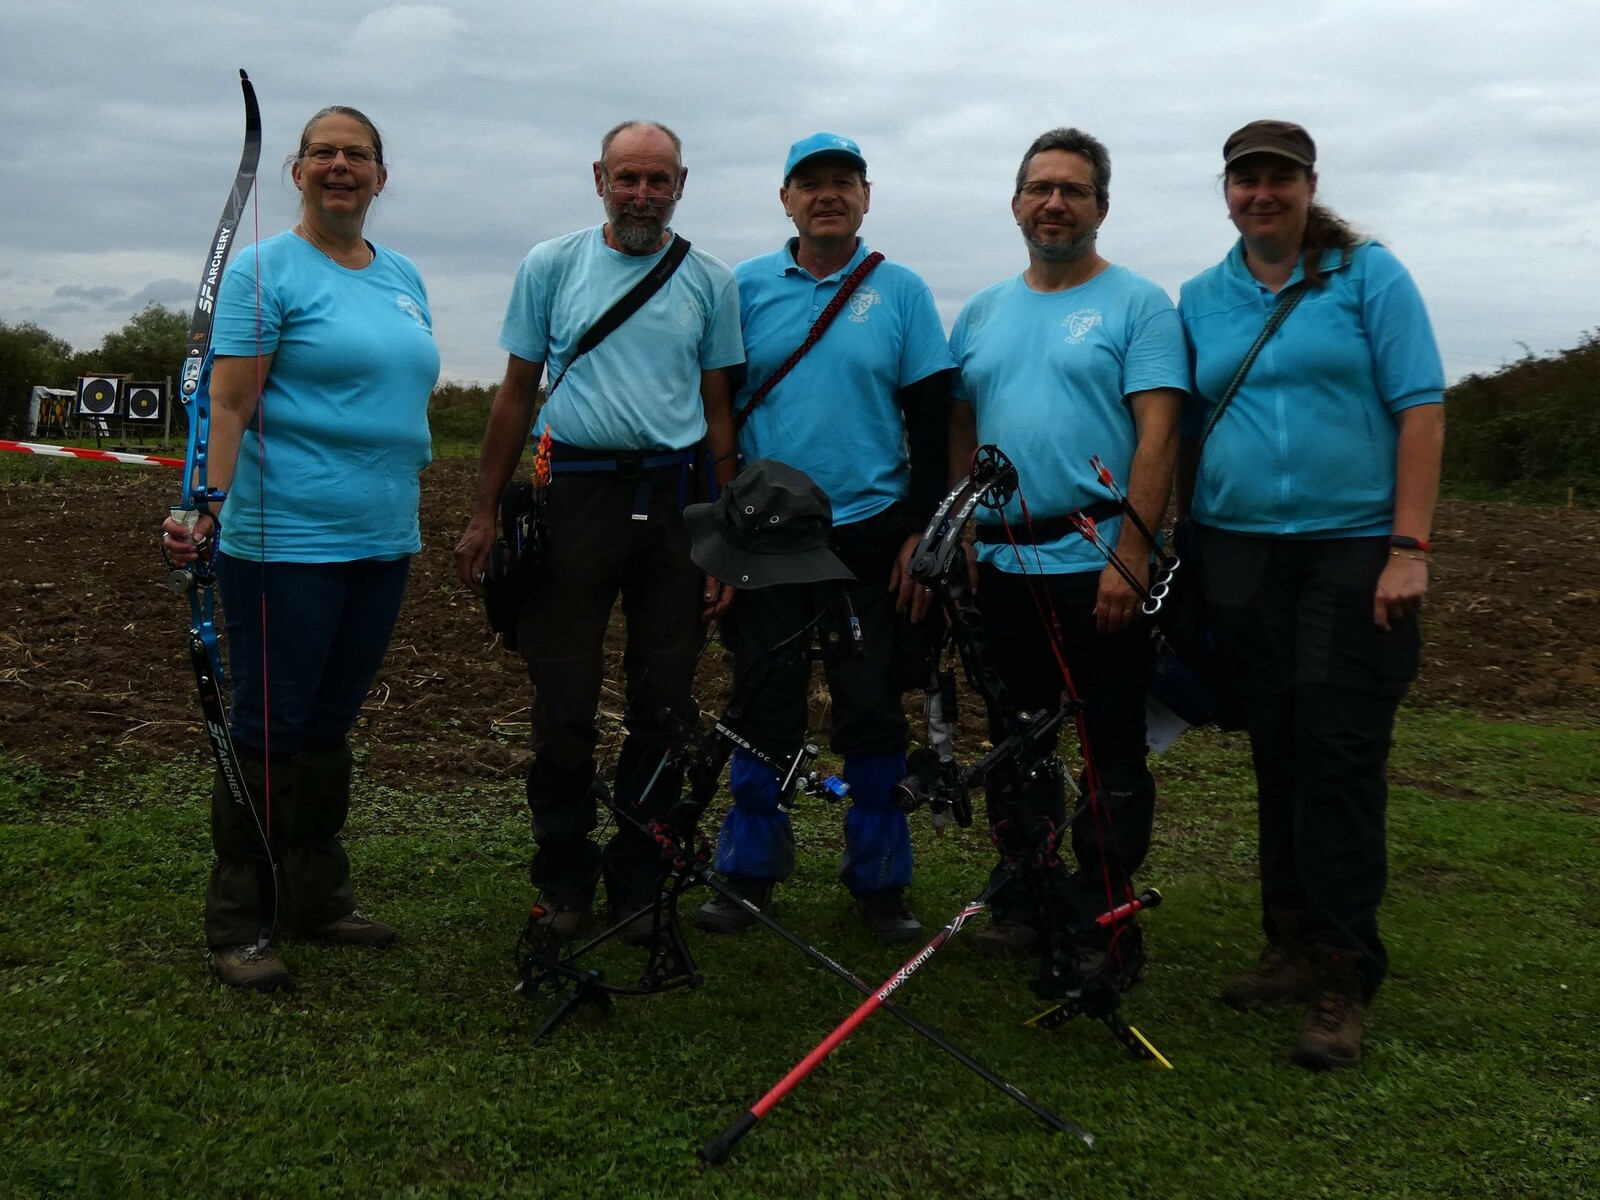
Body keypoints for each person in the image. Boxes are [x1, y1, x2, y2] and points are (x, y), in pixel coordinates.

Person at [1176, 120, 1445, 1070]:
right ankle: (1287, 943)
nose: (1262, 194)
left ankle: (1343, 967)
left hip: (1350, 550)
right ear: (1227, 191)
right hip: (1240, 556)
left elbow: (1419, 403)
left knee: (1338, 754)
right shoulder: (1201, 296)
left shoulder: (1370, 276)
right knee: (1279, 749)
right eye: (1245, 179)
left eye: (1278, 179)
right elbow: (1189, 422)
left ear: (1308, 184)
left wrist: (1408, 546)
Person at [161, 106, 440, 992]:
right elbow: (231, 406)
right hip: (288, 544)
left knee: (327, 728)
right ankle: (242, 919)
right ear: (296, 170)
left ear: (380, 177)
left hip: (381, 537)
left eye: (357, 155)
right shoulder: (264, 271)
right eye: (323, 152)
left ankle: (317, 895)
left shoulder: (402, 276)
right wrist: (204, 506)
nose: (340, 166)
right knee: (270, 728)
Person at [453, 121, 742, 943]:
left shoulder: (709, 281)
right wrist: (483, 512)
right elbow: (514, 391)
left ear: (682, 183)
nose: (642, 194)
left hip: (678, 500)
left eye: (658, 180)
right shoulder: (550, 264)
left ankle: (642, 877)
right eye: (628, 178)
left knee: (664, 701)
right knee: (565, 699)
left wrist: (721, 537)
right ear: (599, 179)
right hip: (573, 494)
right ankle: (565, 877)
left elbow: (720, 410)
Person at [694, 133, 954, 945]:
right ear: (786, 199)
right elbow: (721, 412)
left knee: (872, 711)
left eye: (843, 182)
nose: (827, 195)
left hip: (869, 534)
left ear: (866, 197)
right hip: (769, 537)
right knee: (762, 704)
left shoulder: (902, 291)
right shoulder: (743, 288)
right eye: (811, 184)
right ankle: (748, 873)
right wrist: (726, 530)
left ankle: (881, 883)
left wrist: (919, 529)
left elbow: (931, 418)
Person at [947, 127, 1186, 963]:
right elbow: (963, 424)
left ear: (1102, 207)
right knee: (1017, 741)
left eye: (1073, 191)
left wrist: (1133, 552)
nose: (1055, 203)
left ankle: (1103, 909)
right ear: (1015, 203)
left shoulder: (1138, 305)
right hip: (1006, 564)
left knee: (1109, 745)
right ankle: (1028, 892)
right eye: (1040, 188)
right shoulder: (980, 313)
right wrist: (964, 528)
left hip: (1099, 564)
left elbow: (1159, 435)